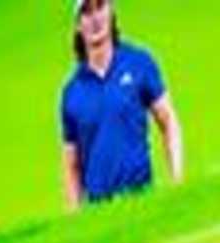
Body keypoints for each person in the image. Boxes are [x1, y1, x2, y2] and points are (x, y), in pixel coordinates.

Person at [62, 1, 184, 209]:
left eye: (100, 7)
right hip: (99, 208)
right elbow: (72, 166)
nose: (95, 19)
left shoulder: (138, 63)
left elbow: (168, 122)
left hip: (142, 197)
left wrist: (177, 179)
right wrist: (76, 219)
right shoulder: (72, 92)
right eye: (86, 12)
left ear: (111, 12)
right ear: (78, 25)